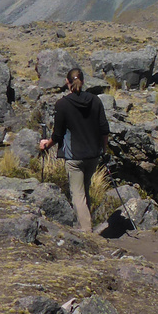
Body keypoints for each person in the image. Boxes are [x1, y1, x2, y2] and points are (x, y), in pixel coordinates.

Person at [39, 67, 109, 232]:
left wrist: (46, 145)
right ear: (83, 82)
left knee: (77, 194)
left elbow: (58, 135)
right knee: (85, 189)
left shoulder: (62, 104)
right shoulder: (95, 101)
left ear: (67, 82)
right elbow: (104, 129)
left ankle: (86, 232)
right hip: (93, 155)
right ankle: (85, 225)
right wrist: (103, 151)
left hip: (74, 157)